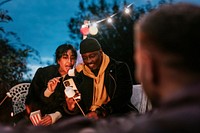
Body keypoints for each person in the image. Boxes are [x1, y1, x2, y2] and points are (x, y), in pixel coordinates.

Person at [65, 37, 138, 119]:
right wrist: (72, 107)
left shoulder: (119, 68)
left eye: (92, 56)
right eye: (85, 58)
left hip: (116, 116)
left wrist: (101, 112)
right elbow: (81, 106)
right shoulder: (81, 75)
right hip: (90, 119)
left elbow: (123, 97)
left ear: (100, 52)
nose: (89, 61)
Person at [25, 44, 78, 126]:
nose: (70, 61)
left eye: (73, 58)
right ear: (58, 60)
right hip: (38, 117)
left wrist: (56, 115)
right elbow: (31, 99)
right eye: (65, 57)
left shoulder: (76, 78)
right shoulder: (43, 73)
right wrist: (48, 91)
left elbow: (74, 107)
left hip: (62, 119)